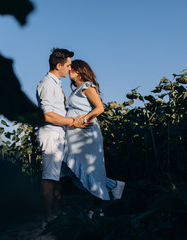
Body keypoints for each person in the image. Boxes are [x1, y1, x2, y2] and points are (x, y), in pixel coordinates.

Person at [36, 49, 91, 228]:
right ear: (58, 65)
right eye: (67, 65)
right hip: (51, 133)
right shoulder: (47, 83)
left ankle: (57, 213)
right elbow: (47, 115)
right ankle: (47, 218)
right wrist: (72, 122)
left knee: (58, 176)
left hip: (59, 133)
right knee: (50, 176)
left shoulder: (56, 83)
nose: (70, 68)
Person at [63, 59, 125, 218]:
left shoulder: (87, 86)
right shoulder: (75, 90)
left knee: (92, 169)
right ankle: (114, 185)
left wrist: (83, 119)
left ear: (79, 70)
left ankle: (97, 209)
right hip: (76, 137)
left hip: (87, 135)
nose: (69, 70)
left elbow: (100, 108)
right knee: (75, 171)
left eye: (72, 68)